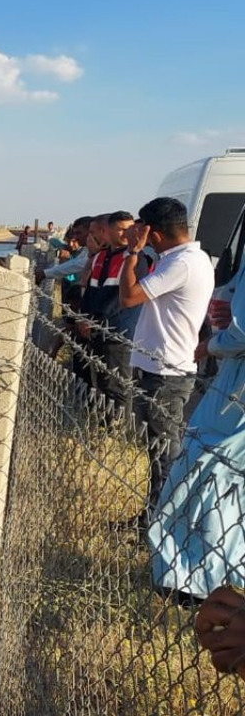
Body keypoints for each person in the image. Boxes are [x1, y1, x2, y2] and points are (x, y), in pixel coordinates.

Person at [148, 232, 245, 601]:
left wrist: (211, 344)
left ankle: (195, 581)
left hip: (235, 391)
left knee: (207, 475)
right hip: (232, 381)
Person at [120, 198, 214, 526]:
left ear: (153, 233)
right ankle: (154, 515)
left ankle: (164, 521)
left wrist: (132, 253)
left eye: (139, 229)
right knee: (158, 450)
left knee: (164, 452)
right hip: (160, 367)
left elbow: (129, 296)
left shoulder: (183, 263)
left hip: (166, 373)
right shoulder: (181, 258)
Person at [81, 210, 150, 411]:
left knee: (117, 385)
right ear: (108, 230)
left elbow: (129, 297)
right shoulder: (100, 257)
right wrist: (84, 318)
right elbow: (90, 291)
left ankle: (117, 430)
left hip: (120, 330)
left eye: (130, 230)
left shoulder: (136, 258)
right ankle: (105, 426)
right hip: (97, 330)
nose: (126, 235)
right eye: (121, 230)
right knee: (101, 382)